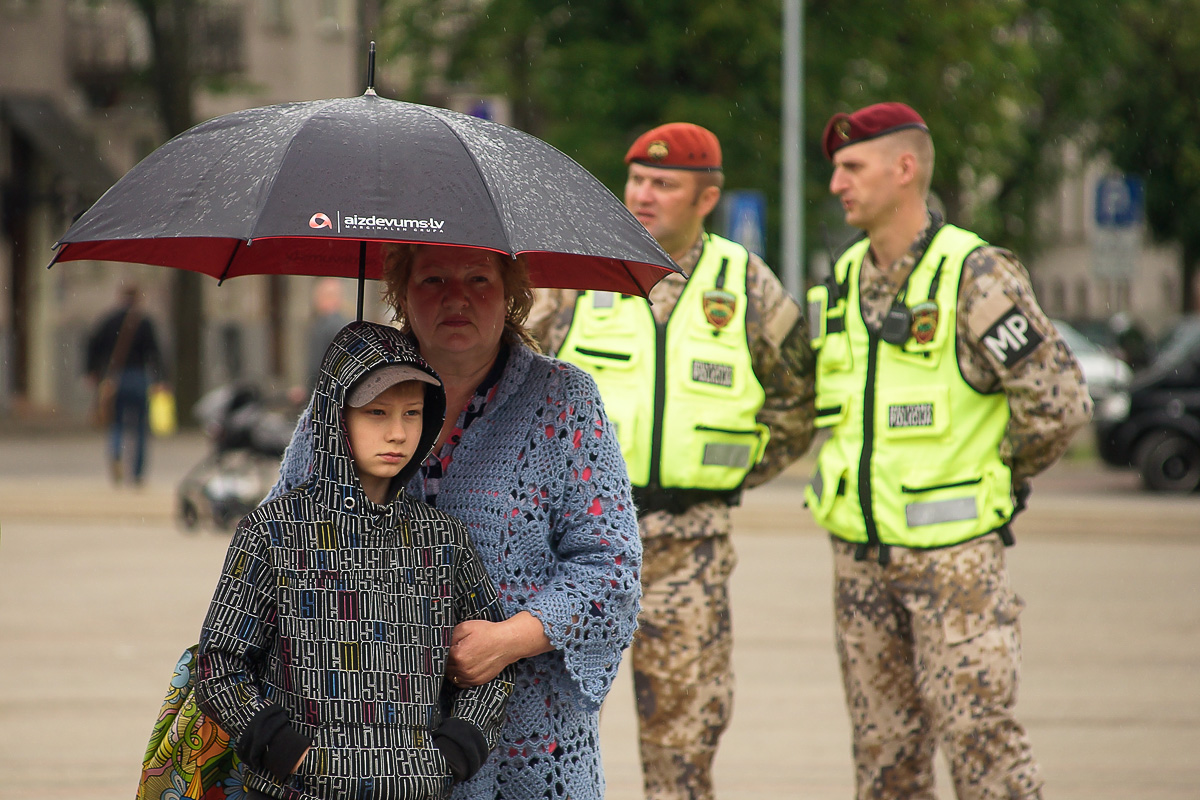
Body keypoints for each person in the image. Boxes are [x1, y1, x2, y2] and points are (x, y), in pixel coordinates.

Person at [269, 245, 642, 800]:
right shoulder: (343, 402)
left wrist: (508, 640)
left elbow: (611, 569)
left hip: (525, 745)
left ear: (513, 291)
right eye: (433, 279)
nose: (457, 297)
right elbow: (279, 547)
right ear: (399, 293)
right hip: (361, 743)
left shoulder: (563, 401)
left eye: (479, 279)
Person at [809, 101, 1093, 799]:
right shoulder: (843, 281)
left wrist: (1001, 475)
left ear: (904, 169)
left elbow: (1058, 403)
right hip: (861, 567)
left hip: (953, 567)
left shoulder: (973, 274)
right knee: (884, 764)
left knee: (982, 749)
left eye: (852, 167)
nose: (837, 183)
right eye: (835, 169)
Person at [528, 122, 817, 800]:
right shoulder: (577, 273)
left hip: (688, 548)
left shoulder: (745, 285)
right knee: (548, 737)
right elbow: (503, 358)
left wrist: (730, 468)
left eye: (665, 183)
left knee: (683, 747)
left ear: (707, 197)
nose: (644, 194)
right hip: (572, 545)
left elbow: (800, 397)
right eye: (637, 179)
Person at [194, 321, 515, 799]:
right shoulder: (274, 531)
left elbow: (491, 669)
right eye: (376, 412)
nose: (396, 432)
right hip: (294, 790)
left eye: (411, 413)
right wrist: (291, 753)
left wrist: (452, 754)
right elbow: (218, 663)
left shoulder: (442, 539)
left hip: (415, 789)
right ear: (334, 416)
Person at [84, 283, 168, 485]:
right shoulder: (144, 322)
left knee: (116, 423)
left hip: (116, 378)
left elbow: (92, 345)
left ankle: (115, 454)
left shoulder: (108, 320)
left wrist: (92, 371)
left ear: (121, 297)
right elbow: (155, 352)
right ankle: (137, 473)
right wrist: (160, 379)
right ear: (138, 298)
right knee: (140, 428)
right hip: (139, 378)